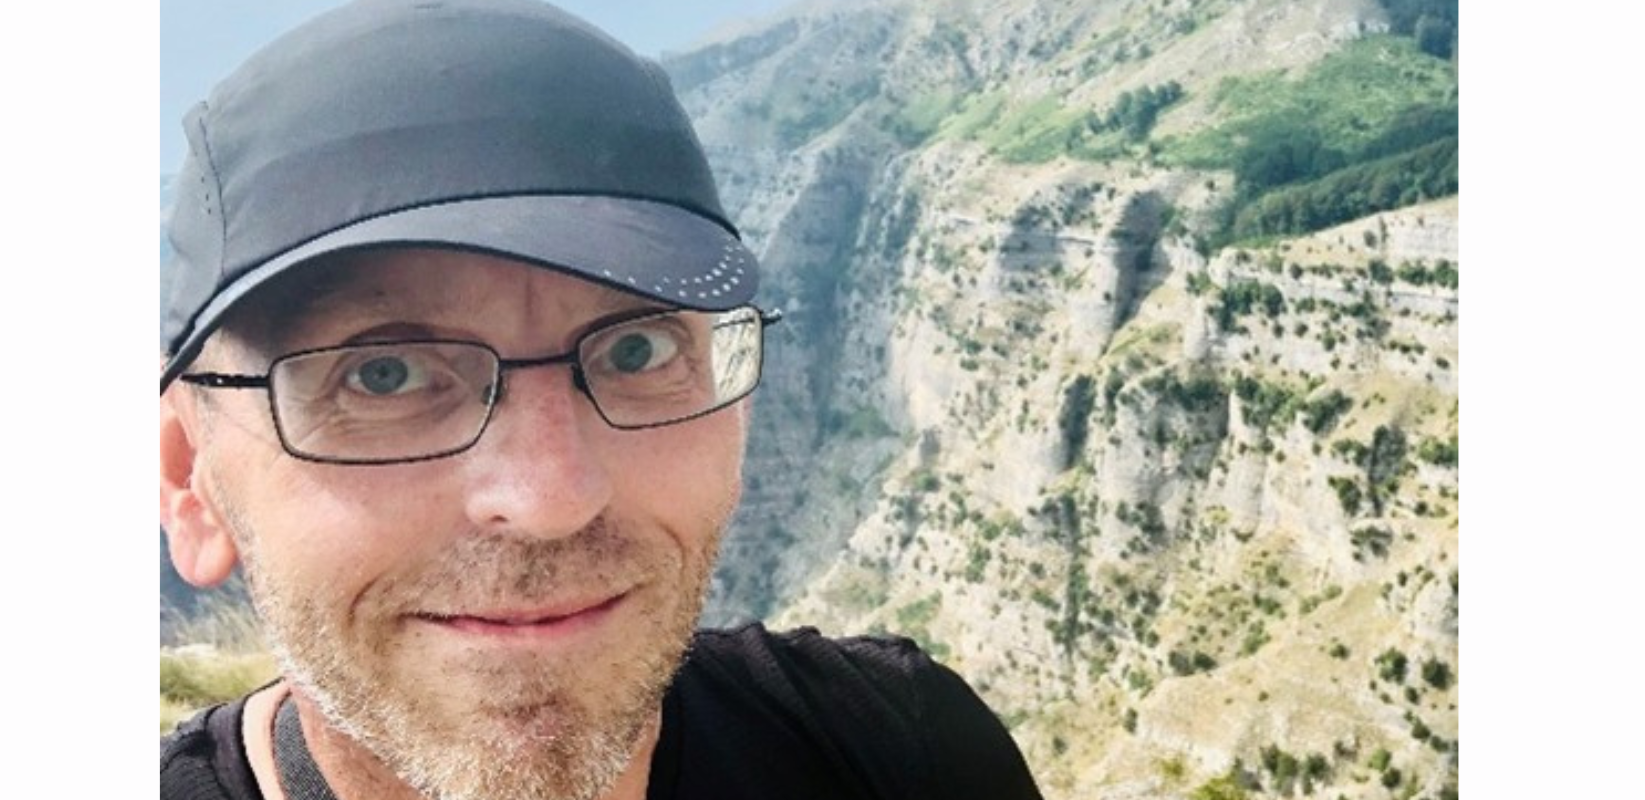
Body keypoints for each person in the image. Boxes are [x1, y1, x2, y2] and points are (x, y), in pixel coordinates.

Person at [157, 1, 1043, 798]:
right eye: (382, 374)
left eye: (637, 349)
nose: (551, 499)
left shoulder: (901, 753)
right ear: (189, 478)